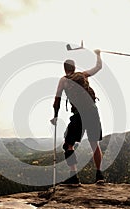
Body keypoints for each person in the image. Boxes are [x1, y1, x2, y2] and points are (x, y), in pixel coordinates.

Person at [50, 49, 104, 184]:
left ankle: (73, 176)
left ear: (64, 69)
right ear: (74, 68)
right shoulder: (83, 75)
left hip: (79, 114)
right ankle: (99, 175)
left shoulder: (64, 80)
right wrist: (98, 54)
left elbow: (57, 100)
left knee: (68, 144)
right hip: (93, 112)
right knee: (94, 144)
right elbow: (98, 67)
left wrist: (55, 116)